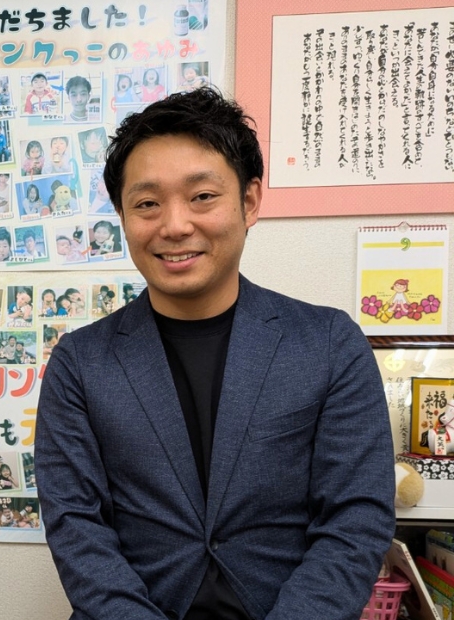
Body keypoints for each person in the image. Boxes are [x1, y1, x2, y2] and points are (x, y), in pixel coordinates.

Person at [34, 89, 395, 620]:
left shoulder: (328, 343)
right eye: (147, 203)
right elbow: (76, 527)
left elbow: (355, 519)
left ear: (249, 201)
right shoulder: (80, 362)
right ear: (122, 216)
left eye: (202, 196)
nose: (175, 225)